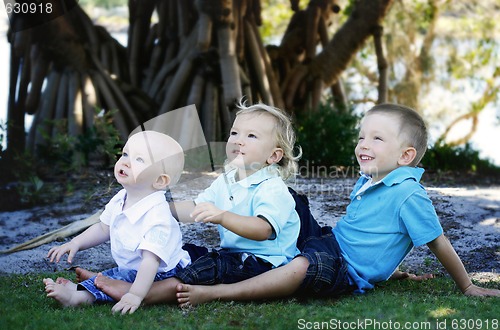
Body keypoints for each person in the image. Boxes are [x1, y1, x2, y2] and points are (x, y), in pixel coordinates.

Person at [170, 103, 500, 306]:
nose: (363, 145)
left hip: (342, 269)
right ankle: (256, 231)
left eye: (376, 139)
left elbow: (437, 241)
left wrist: (467, 285)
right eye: (361, 137)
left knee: (301, 268)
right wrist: (394, 272)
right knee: (294, 203)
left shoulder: (409, 195)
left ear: (405, 156)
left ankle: (219, 292)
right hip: (329, 242)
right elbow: (371, 236)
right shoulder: (373, 181)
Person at [75, 100, 303, 308]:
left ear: (273, 156)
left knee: (202, 269)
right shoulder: (228, 180)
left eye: (251, 136)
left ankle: (138, 292)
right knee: (184, 256)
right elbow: (195, 207)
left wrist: (222, 216)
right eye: (234, 133)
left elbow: (262, 230)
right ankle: (128, 279)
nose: (238, 140)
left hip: (264, 263)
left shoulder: (272, 188)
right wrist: (156, 207)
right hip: (233, 256)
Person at [43, 130, 191, 314]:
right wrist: (76, 243)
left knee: (123, 279)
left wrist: (135, 295)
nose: (126, 162)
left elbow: (150, 262)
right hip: (134, 267)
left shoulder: (157, 216)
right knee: (120, 274)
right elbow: (103, 228)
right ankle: (92, 284)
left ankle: (78, 297)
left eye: (139, 160)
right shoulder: (121, 198)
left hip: (160, 274)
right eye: (125, 154)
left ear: (160, 180)